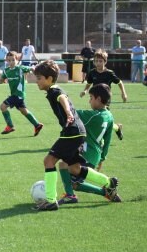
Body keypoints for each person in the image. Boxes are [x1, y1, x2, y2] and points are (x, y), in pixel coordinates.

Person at [31, 60, 119, 211]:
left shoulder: (54, 90)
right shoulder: (54, 89)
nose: (36, 81)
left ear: (49, 79)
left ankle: (51, 200)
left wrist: (68, 113)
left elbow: (62, 99)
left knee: (49, 161)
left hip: (71, 132)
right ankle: (107, 182)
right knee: (75, 167)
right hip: (76, 132)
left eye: (39, 78)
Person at [58, 83, 122, 204]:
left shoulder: (93, 116)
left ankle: (108, 182)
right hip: (95, 154)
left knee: (67, 165)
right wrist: (103, 157)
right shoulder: (109, 115)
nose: (89, 101)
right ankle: (106, 193)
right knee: (73, 182)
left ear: (98, 99)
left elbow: (73, 113)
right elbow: (107, 139)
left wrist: (63, 99)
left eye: (91, 98)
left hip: (87, 153)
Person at [79, 49, 127, 140]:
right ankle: (117, 128)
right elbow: (88, 84)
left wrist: (123, 93)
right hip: (94, 98)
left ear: (105, 61)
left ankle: (100, 138)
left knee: (101, 116)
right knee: (102, 117)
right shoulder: (92, 73)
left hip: (105, 99)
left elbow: (119, 82)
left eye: (100, 61)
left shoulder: (109, 73)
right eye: (96, 61)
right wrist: (85, 91)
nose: (98, 63)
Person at [0, 51, 43, 136]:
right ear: (6, 61)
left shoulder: (20, 68)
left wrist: (36, 71)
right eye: (9, 60)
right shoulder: (6, 71)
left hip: (18, 95)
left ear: (17, 60)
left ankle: (10, 126)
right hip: (16, 95)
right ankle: (37, 125)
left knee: (3, 106)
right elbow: (2, 80)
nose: (11, 62)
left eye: (13, 60)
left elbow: (31, 68)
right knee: (24, 111)